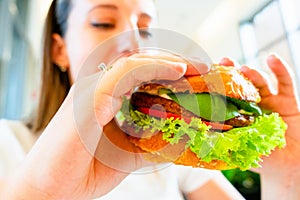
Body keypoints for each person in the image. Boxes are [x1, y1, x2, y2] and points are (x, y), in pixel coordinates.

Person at [0, 0, 299, 199]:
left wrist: (287, 175)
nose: (133, 39)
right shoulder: (7, 143)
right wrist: (40, 192)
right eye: (103, 23)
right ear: (59, 50)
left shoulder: (171, 149)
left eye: (146, 27)